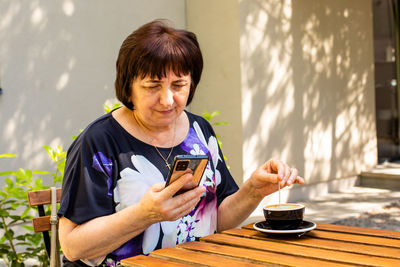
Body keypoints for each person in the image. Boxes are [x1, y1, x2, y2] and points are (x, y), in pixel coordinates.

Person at [58, 19, 305, 266]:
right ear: (128, 87)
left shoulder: (199, 131)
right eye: (152, 86)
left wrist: (253, 191)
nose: (167, 100)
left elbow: (216, 220)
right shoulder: (99, 142)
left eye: (178, 85)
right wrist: (145, 215)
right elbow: (72, 246)